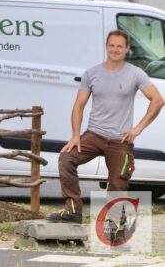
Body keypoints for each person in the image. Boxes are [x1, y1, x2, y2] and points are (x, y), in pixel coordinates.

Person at [47, 30, 164, 223]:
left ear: (127, 49)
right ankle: (73, 211)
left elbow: (158, 101)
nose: (115, 49)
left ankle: (115, 223)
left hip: (120, 140)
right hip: (93, 135)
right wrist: (76, 135)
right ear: (106, 47)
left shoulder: (135, 74)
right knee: (66, 159)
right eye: (111, 45)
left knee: (118, 182)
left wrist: (138, 129)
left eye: (120, 46)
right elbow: (79, 105)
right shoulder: (92, 73)